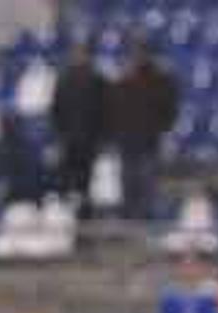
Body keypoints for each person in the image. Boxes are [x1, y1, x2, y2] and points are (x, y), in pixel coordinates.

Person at [108, 35, 178, 223]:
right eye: (135, 52)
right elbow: (112, 109)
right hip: (127, 142)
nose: (138, 56)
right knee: (128, 186)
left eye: (142, 51)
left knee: (148, 187)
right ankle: (129, 226)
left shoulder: (161, 79)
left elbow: (170, 110)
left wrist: (159, 128)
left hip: (149, 142)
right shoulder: (122, 80)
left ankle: (146, 226)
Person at [50, 42, 106, 212]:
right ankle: (65, 214)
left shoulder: (97, 80)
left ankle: (84, 217)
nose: (80, 57)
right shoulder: (64, 79)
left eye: (83, 53)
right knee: (66, 182)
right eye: (77, 53)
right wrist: (60, 134)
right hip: (69, 140)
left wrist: (100, 136)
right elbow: (56, 109)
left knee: (85, 184)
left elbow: (104, 111)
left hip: (89, 140)